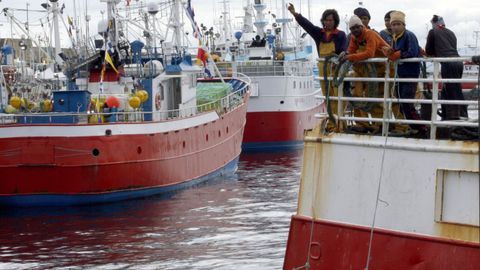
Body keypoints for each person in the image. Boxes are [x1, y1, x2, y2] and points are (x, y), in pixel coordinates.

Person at [288, 4, 347, 131]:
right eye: (326, 20)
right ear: (323, 21)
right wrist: (295, 14)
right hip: (322, 68)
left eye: (330, 20)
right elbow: (306, 24)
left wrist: (343, 53)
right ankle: (332, 123)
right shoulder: (318, 33)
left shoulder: (340, 35)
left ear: (335, 21)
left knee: (338, 95)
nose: (328, 22)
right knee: (327, 96)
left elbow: (343, 49)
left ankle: (340, 123)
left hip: (335, 67)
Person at [340, 15, 389, 134]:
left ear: (362, 26)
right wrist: (345, 54)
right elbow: (350, 51)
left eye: (357, 27)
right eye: (352, 28)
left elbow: (370, 53)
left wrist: (349, 57)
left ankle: (380, 124)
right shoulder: (354, 38)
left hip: (382, 69)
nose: (355, 30)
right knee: (357, 96)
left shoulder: (370, 34)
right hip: (365, 71)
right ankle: (362, 124)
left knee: (374, 98)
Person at [384, 11, 426, 136]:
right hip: (400, 74)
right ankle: (413, 126)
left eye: (398, 24)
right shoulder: (395, 38)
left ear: (403, 25)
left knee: (407, 102)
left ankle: (421, 128)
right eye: (393, 24)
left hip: (410, 73)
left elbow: (413, 52)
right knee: (401, 102)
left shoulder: (409, 35)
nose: (395, 27)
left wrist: (399, 54)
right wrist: (390, 52)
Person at [425, 15, 467, 120]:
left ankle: (457, 116)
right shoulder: (451, 33)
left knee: (451, 90)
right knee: (456, 89)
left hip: (448, 63)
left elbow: (429, 50)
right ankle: (458, 114)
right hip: (458, 62)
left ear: (433, 23)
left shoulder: (433, 31)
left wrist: (433, 54)